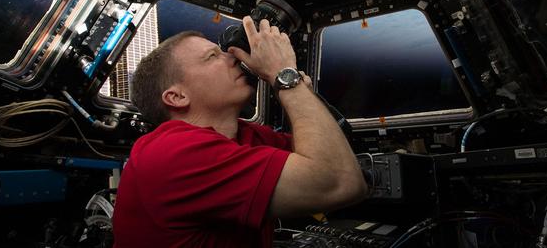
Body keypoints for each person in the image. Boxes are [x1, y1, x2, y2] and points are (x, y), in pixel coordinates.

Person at [112, 16, 367, 248]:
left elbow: (338, 156)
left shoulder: (246, 137)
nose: (233, 56)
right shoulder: (172, 152)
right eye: (212, 56)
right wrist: (284, 76)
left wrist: (301, 92)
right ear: (177, 97)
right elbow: (341, 183)